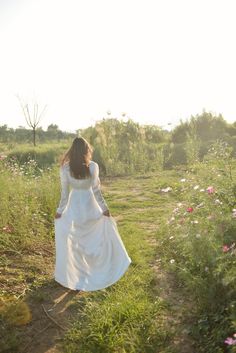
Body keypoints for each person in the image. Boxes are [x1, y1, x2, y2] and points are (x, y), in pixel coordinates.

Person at [54, 136, 132, 291]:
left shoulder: (65, 168)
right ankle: (92, 270)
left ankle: (78, 276)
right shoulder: (93, 166)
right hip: (90, 204)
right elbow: (96, 191)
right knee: (93, 239)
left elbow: (64, 194)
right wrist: (104, 208)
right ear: (86, 150)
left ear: (72, 151)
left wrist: (59, 211)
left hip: (74, 206)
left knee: (76, 242)